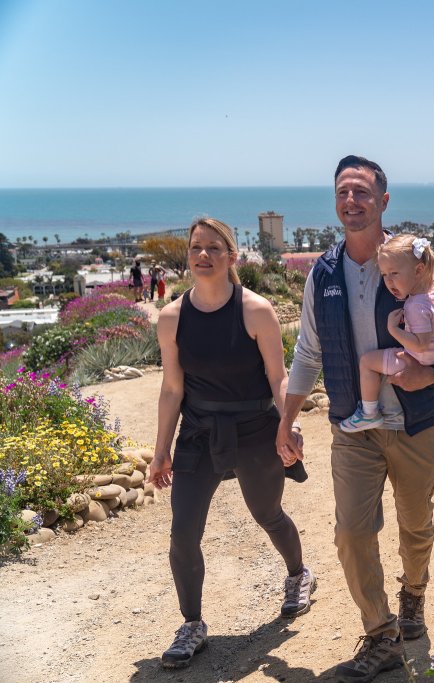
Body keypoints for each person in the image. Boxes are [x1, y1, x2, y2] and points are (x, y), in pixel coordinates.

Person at [276, 155, 434, 682]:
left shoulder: (418, 265)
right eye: (343, 192)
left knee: (415, 524)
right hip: (354, 425)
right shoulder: (322, 274)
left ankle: (413, 593)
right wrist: (287, 419)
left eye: (363, 193)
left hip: (418, 424)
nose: (352, 202)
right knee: (351, 532)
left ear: (383, 202)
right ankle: (381, 635)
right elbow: (307, 352)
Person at [148, 217, 315, 670]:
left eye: (213, 249)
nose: (203, 256)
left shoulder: (256, 310)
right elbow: (171, 389)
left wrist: (289, 425)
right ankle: (192, 624)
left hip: (253, 429)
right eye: (196, 248)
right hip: (199, 432)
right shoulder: (171, 317)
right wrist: (161, 449)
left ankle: (299, 574)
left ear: (231, 257)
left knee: (267, 514)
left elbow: (279, 379)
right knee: (183, 530)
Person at [339, 234, 434, 433]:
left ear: (419, 270)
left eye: (394, 273)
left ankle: (369, 413)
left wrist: (393, 330)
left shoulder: (415, 305)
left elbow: (420, 344)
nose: (388, 281)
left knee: (367, 362)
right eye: (384, 275)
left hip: (422, 360)